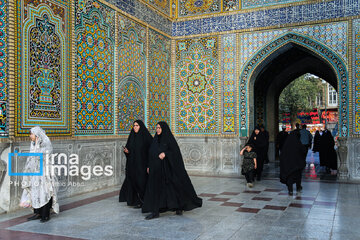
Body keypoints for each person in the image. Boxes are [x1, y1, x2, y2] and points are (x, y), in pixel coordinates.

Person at [142, 122, 202, 220]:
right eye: (156, 128)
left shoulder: (169, 140)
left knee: (173, 189)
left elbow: (175, 153)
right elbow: (151, 153)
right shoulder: (155, 140)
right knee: (156, 190)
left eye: (159, 128)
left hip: (168, 171)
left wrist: (165, 154)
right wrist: (149, 166)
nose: (157, 130)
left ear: (164, 129)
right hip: (156, 170)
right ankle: (155, 211)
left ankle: (178, 206)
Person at [20, 126, 59, 222]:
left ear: (37, 135)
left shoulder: (46, 142)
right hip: (35, 172)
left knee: (44, 192)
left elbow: (42, 156)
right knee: (35, 191)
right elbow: (31, 156)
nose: (30, 136)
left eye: (32, 134)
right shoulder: (33, 143)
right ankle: (37, 213)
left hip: (44, 173)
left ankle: (45, 215)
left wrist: (37, 146)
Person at [119, 120, 153, 208]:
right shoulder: (132, 137)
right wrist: (127, 151)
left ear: (140, 126)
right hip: (133, 165)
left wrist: (149, 165)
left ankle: (145, 202)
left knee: (142, 183)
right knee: (134, 182)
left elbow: (151, 151)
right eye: (134, 125)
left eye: (137, 125)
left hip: (142, 165)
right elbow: (129, 150)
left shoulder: (146, 137)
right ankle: (138, 201)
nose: (135, 127)